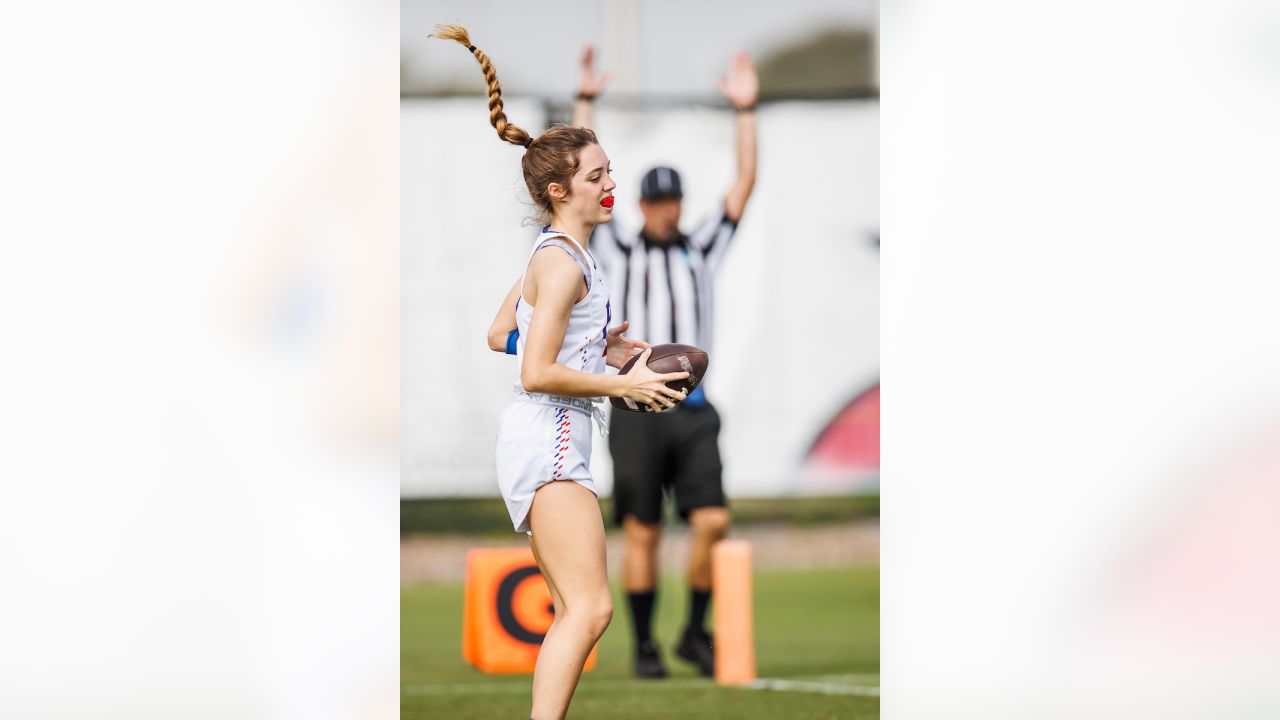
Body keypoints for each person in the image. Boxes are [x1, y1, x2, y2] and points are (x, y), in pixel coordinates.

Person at [431, 25, 690, 720]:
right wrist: (622, 382)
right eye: (597, 176)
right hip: (548, 437)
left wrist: (600, 347)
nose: (612, 185)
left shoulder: (559, 257)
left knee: (576, 610)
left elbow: (498, 335)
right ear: (559, 188)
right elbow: (537, 370)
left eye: (610, 171)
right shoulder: (559, 261)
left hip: (541, 439)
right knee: (593, 607)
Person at [570, 45, 759, 678]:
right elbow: (579, 180)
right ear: (640, 207)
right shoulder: (621, 244)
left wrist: (746, 109)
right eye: (656, 202)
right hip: (637, 403)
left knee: (712, 520)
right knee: (644, 532)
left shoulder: (700, 247)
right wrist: (587, 103)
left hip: (695, 407)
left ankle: (693, 633)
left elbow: (743, 186)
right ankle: (646, 645)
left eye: (673, 200)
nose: (667, 210)